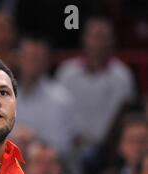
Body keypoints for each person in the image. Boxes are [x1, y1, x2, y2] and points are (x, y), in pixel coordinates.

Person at [56, 17, 136, 147]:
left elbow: (126, 118)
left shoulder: (122, 75)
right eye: (94, 37)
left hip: (109, 147)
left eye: (102, 37)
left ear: (111, 41)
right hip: (71, 144)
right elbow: (58, 112)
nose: (98, 43)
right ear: (84, 39)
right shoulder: (67, 72)